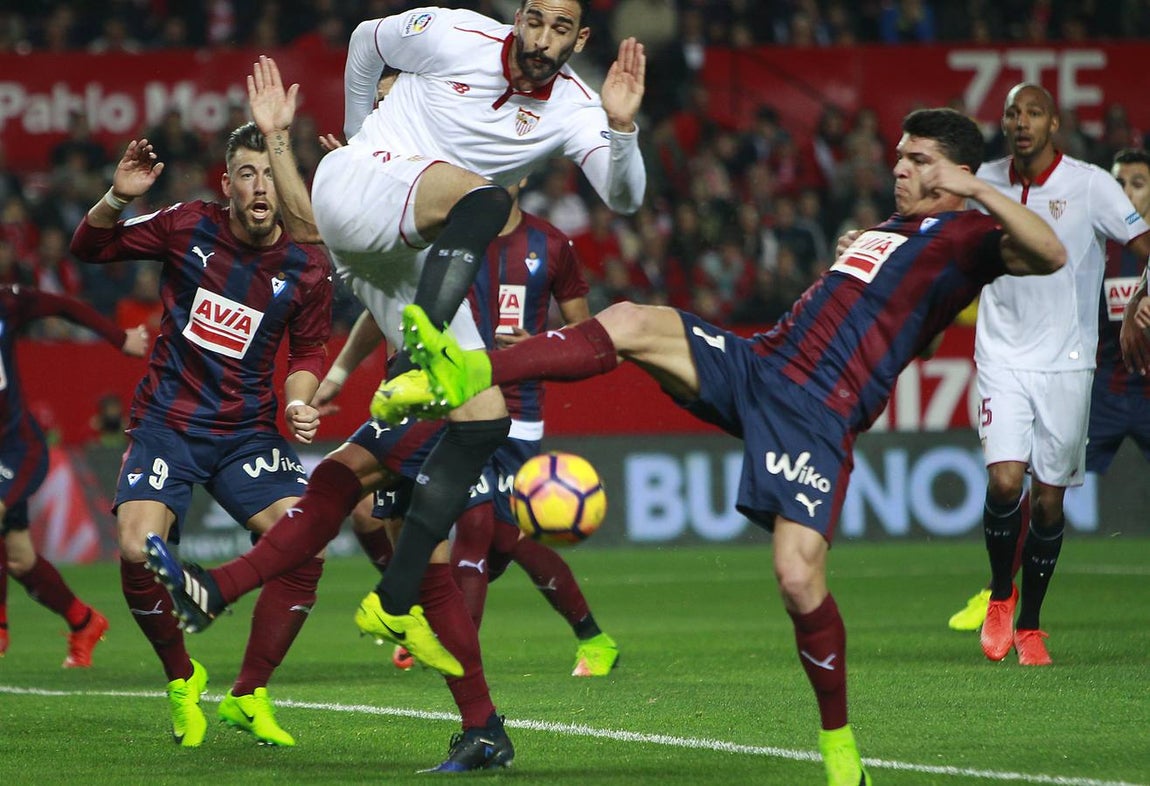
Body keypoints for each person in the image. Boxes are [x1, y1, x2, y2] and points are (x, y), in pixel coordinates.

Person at [370, 108, 1067, 786]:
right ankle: (466, 369)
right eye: (900, 158)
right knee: (633, 319)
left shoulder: (973, 236)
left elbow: (1051, 252)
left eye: (919, 162)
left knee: (797, 578)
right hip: (759, 364)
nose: (899, 171)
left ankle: (839, 745)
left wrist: (976, 190)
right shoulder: (897, 229)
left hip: (816, 415)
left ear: (961, 172)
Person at [143, 1, 645, 682]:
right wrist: (355, 133)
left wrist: (620, 129)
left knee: (484, 419)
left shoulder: (576, 105)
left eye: (560, 30)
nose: (542, 39)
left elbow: (622, 196)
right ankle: (430, 350)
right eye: (534, 20)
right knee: (488, 201)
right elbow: (362, 39)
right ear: (518, 16)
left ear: (579, 38)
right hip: (366, 179)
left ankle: (375, 598)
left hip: (399, 251)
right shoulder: (453, 33)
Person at [68, 57, 334, 748]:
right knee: (134, 548)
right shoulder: (187, 225)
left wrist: (303, 399)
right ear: (227, 183)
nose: (258, 187)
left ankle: (249, 693)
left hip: (246, 432)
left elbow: (307, 353)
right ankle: (182, 675)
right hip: (167, 424)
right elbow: (88, 249)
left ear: (284, 186)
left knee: (304, 540)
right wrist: (117, 197)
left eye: (268, 174)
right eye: (245, 173)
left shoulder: (307, 265)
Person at [323, 198, 620, 678]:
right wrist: (339, 372)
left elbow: (583, 333)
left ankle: (591, 637)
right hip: (452, 402)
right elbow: (385, 304)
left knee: (507, 535)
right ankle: (441, 638)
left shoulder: (551, 243)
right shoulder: (444, 235)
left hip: (518, 411)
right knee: (469, 523)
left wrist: (538, 346)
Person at [943, 85, 1150, 668]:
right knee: (1006, 482)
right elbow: (929, 233)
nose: (1022, 121)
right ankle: (1000, 596)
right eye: (1013, 112)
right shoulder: (982, 181)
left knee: (1050, 503)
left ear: (1053, 123)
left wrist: (1141, 297)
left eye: (1034, 112)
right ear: (1004, 123)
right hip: (1001, 356)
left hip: (1068, 362)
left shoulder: (1090, 184)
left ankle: (1031, 624)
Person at [0, 285, 147, 663]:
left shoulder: (7, 302)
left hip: (16, 447)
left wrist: (120, 337)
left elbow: (62, 304)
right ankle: (83, 621)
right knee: (18, 558)